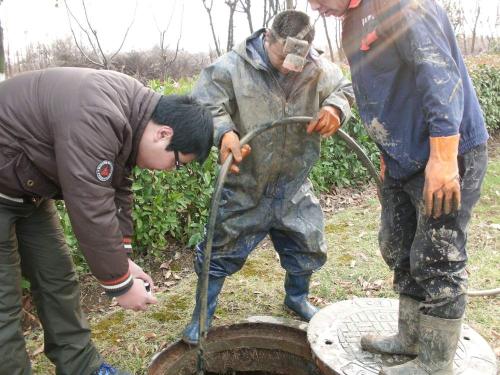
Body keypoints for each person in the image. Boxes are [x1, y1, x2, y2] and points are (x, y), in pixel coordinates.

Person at [308, 0, 489, 374]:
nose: (316, 6)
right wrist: (388, 149)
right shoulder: (352, 18)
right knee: (398, 245)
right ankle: (410, 337)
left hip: (441, 153)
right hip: (402, 158)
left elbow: (438, 75)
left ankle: (435, 364)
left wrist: (443, 156)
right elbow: (379, 90)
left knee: (437, 257)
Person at [0, 67, 214, 375]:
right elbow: (90, 205)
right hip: (6, 181)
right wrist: (121, 286)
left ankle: (82, 369)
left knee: (57, 280)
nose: (171, 170)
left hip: (28, 188)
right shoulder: (98, 113)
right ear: (164, 133)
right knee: (4, 305)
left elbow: (117, 188)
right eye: (178, 162)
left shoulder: (133, 112)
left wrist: (124, 262)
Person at [182, 10, 354, 345]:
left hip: (293, 182)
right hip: (246, 182)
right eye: (282, 56)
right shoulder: (232, 66)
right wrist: (224, 133)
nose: (290, 66)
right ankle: (201, 315)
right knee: (219, 249)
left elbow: (344, 89)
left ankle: (297, 297)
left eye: (297, 58)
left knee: (307, 240)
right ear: (267, 38)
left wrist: (335, 109)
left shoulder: (317, 67)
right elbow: (205, 103)